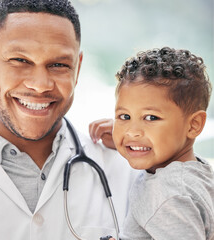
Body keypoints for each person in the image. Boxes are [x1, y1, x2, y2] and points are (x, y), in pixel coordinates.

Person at [0, 0, 139, 239]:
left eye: (59, 64)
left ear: (77, 69)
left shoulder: (129, 173)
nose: (40, 85)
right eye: (20, 60)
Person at [89, 47, 214, 239]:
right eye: (125, 116)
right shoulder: (195, 173)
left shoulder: (167, 194)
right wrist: (128, 140)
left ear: (193, 125)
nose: (132, 131)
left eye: (151, 117)